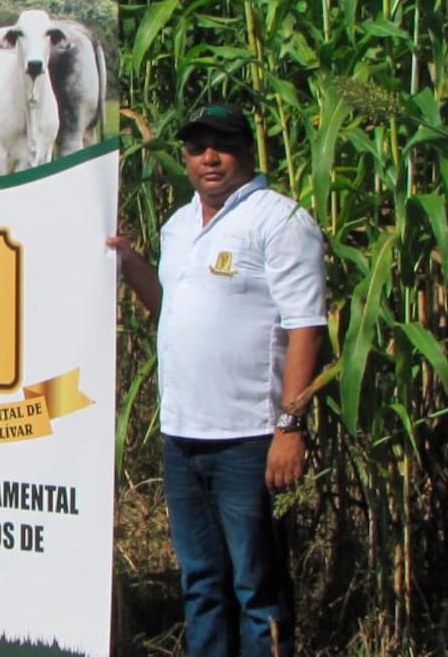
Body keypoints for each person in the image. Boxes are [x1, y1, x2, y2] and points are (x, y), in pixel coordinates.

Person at [108, 104, 326, 657]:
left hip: (248, 438)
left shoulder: (279, 221)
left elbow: (306, 327)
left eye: (222, 145)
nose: (209, 157)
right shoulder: (179, 225)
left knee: (258, 586)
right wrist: (132, 263)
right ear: (183, 157)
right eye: (197, 147)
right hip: (182, 435)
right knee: (201, 582)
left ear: (246, 151)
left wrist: (290, 425)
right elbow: (170, 310)